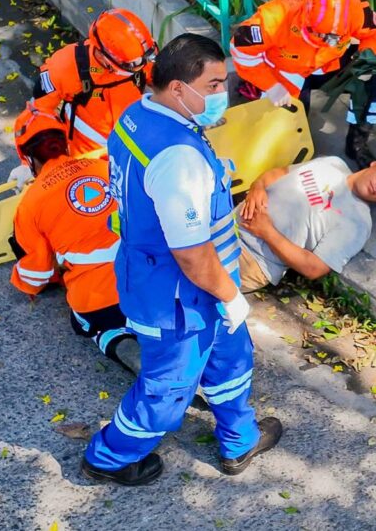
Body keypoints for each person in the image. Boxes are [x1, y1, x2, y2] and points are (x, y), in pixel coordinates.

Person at [82, 33, 281, 486]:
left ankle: (239, 438)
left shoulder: (137, 117)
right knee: (167, 388)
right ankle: (109, 457)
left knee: (231, 358)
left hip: (172, 283)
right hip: (181, 297)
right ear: (177, 88)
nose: (221, 94)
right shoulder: (179, 159)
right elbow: (191, 254)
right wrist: (231, 295)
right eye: (212, 85)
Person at [8, 105, 139, 373]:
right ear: (65, 142)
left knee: (84, 322)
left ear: (26, 157)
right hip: (151, 281)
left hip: (100, 302)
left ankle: (117, 340)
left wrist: (21, 279)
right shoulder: (106, 167)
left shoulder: (30, 205)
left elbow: (37, 276)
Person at [229, 0, 376, 169]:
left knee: (374, 80)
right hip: (286, 73)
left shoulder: (355, 12)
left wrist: (363, 56)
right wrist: (271, 86)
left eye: (332, 36)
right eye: (319, 33)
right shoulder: (276, 17)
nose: (325, 39)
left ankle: (357, 145)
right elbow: (240, 51)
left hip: (328, 65)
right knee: (285, 132)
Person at [8, 8, 158, 187]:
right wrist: (28, 164)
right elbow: (36, 114)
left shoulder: (137, 56)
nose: (142, 66)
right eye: (134, 65)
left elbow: (167, 85)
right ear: (104, 57)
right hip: (86, 162)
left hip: (131, 152)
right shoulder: (66, 66)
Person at [234, 157, 376, 290]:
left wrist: (266, 231)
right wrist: (258, 186)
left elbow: (314, 268)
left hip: (253, 258)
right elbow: (282, 172)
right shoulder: (334, 163)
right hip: (230, 219)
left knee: (208, 272)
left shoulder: (359, 224)